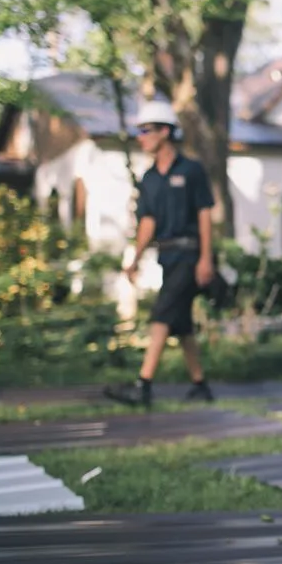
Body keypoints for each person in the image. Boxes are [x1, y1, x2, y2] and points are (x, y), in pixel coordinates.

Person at [104, 101, 216, 409]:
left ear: (164, 132)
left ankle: (143, 385)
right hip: (167, 257)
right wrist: (135, 258)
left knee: (161, 315)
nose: (140, 137)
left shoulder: (191, 170)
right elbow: (148, 222)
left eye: (145, 130)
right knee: (181, 324)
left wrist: (206, 258)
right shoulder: (150, 178)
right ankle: (200, 385)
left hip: (191, 255)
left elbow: (205, 214)